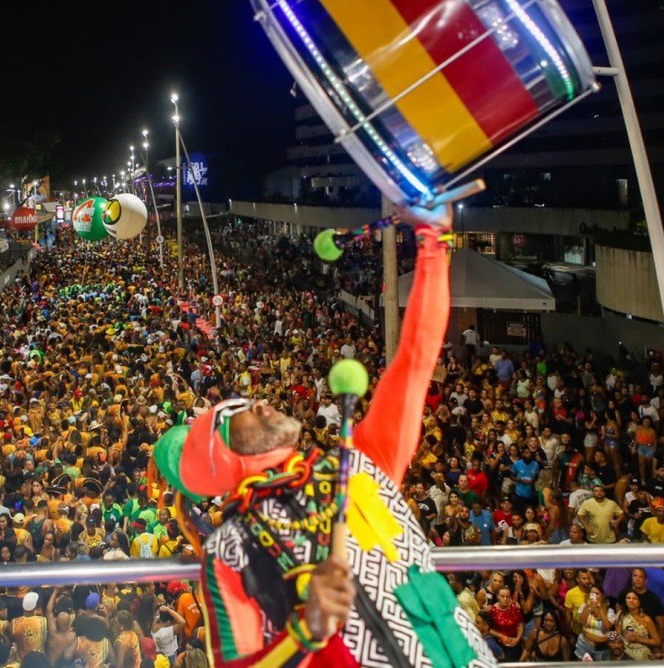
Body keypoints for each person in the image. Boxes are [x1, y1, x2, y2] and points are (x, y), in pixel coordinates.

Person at [156, 203, 497, 666]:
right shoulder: (230, 549)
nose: (259, 403)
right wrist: (305, 630)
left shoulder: (358, 463)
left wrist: (434, 244)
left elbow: (415, 359)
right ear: (224, 452)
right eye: (238, 412)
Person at [616, 590, 662, 661]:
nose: (631, 600)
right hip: (625, 654)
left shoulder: (646, 619)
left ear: (639, 602)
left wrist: (638, 639)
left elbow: (657, 641)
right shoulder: (621, 615)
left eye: (634, 598)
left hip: (642, 654)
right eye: (628, 598)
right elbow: (618, 638)